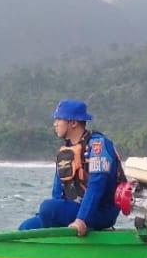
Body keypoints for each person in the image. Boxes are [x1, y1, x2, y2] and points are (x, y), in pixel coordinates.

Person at [19, 99, 125, 236]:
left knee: (48, 208)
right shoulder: (66, 150)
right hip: (74, 209)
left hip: (100, 212)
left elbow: (96, 186)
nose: (55, 124)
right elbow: (58, 191)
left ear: (73, 123)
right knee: (26, 227)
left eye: (58, 119)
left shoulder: (98, 145)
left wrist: (82, 220)